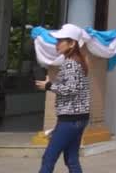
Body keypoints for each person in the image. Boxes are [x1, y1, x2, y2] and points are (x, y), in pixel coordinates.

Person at [37, 24, 92, 173]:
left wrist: (49, 86)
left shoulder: (70, 64)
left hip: (70, 119)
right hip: (79, 118)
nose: (57, 44)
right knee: (71, 159)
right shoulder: (77, 61)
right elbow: (72, 87)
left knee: (49, 158)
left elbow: (71, 89)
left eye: (61, 41)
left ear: (72, 43)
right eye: (57, 40)